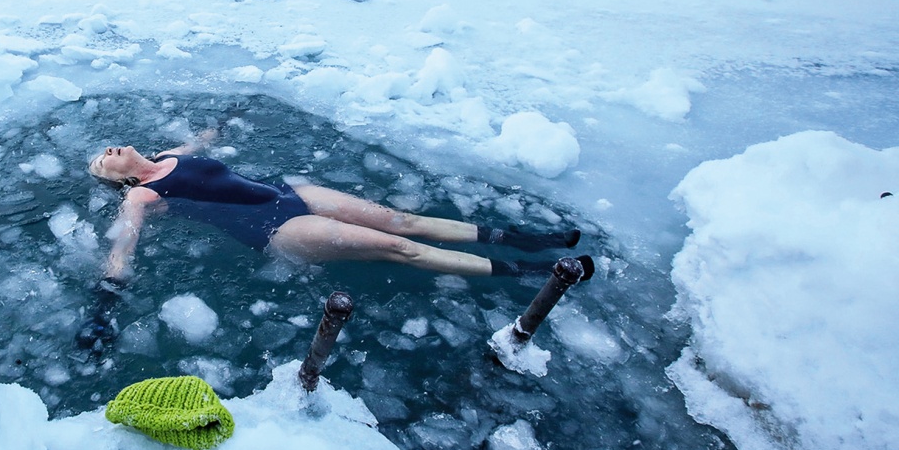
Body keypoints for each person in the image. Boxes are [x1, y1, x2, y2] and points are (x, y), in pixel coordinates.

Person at [87, 133, 592, 285]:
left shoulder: (172, 156)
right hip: (272, 227)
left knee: (401, 219)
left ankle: (511, 236)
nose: (106, 153)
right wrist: (114, 277)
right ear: (121, 180)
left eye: (106, 150)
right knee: (397, 246)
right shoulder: (140, 195)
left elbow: (196, 148)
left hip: (288, 193)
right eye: (100, 163)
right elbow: (125, 237)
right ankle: (526, 270)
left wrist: (211, 133)